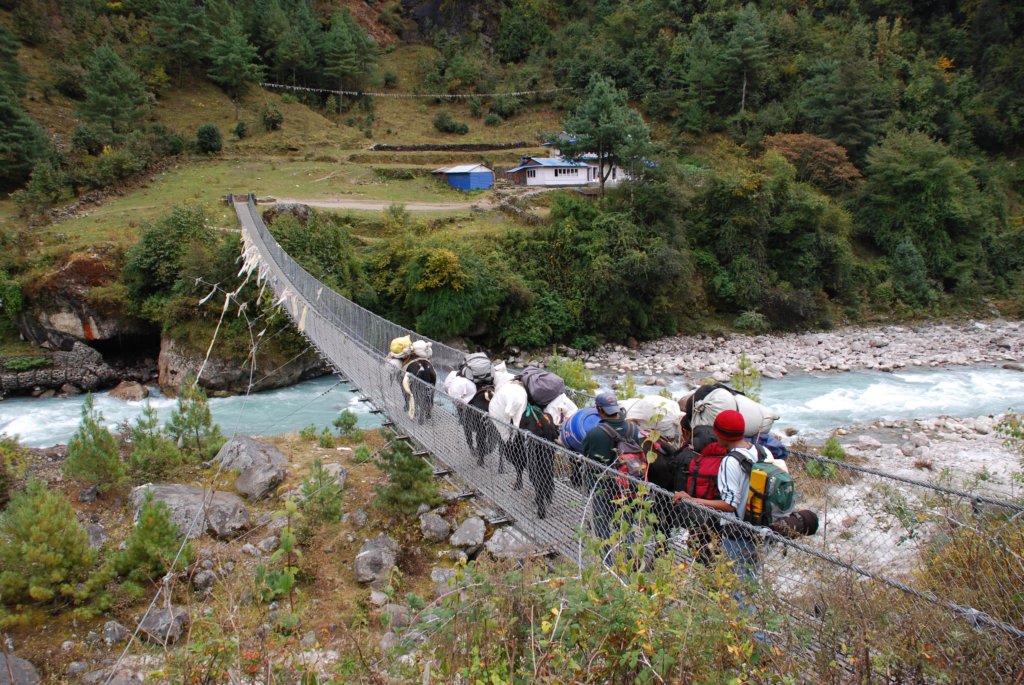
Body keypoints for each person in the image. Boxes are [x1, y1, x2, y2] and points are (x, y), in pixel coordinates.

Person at [672, 409, 761, 579]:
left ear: (721, 434)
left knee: (736, 581)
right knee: (751, 579)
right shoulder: (760, 451)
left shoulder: (730, 461)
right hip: (759, 527)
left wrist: (692, 500)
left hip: (737, 532)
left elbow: (729, 505)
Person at [580, 392, 641, 558]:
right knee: (627, 522)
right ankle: (630, 556)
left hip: (603, 487)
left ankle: (606, 559)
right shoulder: (633, 429)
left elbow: (583, 452)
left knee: (602, 524)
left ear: (600, 410)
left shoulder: (595, 433)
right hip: (628, 485)